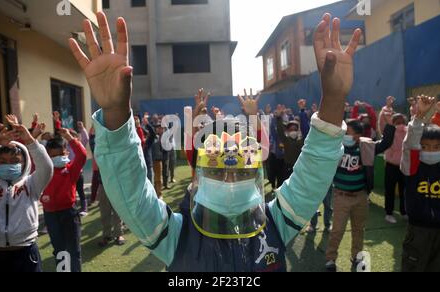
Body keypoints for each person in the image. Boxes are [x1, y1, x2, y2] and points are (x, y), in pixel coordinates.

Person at [69, 11, 362, 272]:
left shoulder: (277, 223)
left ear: (256, 175)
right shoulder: (176, 235)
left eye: (240, 172)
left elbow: (313, 173)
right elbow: (130, 190)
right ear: (201, 176)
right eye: (220, 171)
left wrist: (334, 99)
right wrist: (115, 113)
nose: (230, 179)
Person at [325, 119, 395, 272]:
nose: (344, 135)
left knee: (358, 229)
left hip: (360, 196)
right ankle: (330, 259)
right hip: (341, 196)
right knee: (337, 230)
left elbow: (385, 143)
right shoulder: (336, 146)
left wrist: (389, 124)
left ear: (357, 135)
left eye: (347, 132)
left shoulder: (366, 146)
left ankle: (356, 257)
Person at [0, 124, 53, 272]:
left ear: (24, 163)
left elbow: (46, 167)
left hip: (26, 252)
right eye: (3, 162)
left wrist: (30, 141)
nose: (8, 165)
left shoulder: (31, 184)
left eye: (14, 161)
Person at [400, 96, 440, 272]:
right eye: (425, 147)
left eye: (436, 147)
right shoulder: (412, 166)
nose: (430, 151)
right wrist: (418, 118)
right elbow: (410, 144)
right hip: (418, 231)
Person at [41, 128, 87, 272]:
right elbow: (31, 155)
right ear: (47, 157)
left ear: (66, 152)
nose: (58, 158)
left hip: (69, 213)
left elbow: (82, 155)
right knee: (60, 250)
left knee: (73, 250)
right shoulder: (43, 171)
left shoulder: (71, 170)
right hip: (51, 215)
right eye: (53, 156)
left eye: (61, 154)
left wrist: (68, 137)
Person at [384, 113, 408, 224]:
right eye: (398, 123)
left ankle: (404, 212)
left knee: (404, 190)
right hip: (391, 165)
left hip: (404, 166)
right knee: (390, 190)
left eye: (403, 122)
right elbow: (396, 146)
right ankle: (389, 214)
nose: (401, 125)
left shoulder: (408, 131)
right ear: (393, 123)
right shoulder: (390, 132)